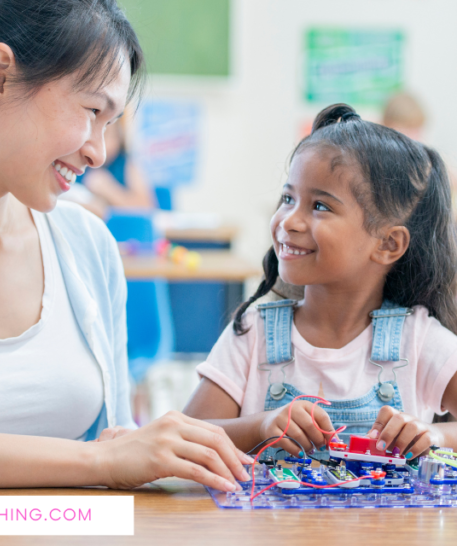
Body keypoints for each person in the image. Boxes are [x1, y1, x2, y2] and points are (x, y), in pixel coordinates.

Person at [0, 0, 252, 491]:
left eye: (111, 123)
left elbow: (119, 448)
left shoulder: (86, 243)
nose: (98, 151)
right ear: (0, 76)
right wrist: (97, 463)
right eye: (92, 110)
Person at [183, 104, 457, 460]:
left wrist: (437, 434)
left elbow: (438, 436)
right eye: (288, 198)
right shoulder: (253, 334)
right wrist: (261, 426)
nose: (288, 221)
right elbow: (183, 439)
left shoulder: (418, 339)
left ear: (388, 243)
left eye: (320, 206)